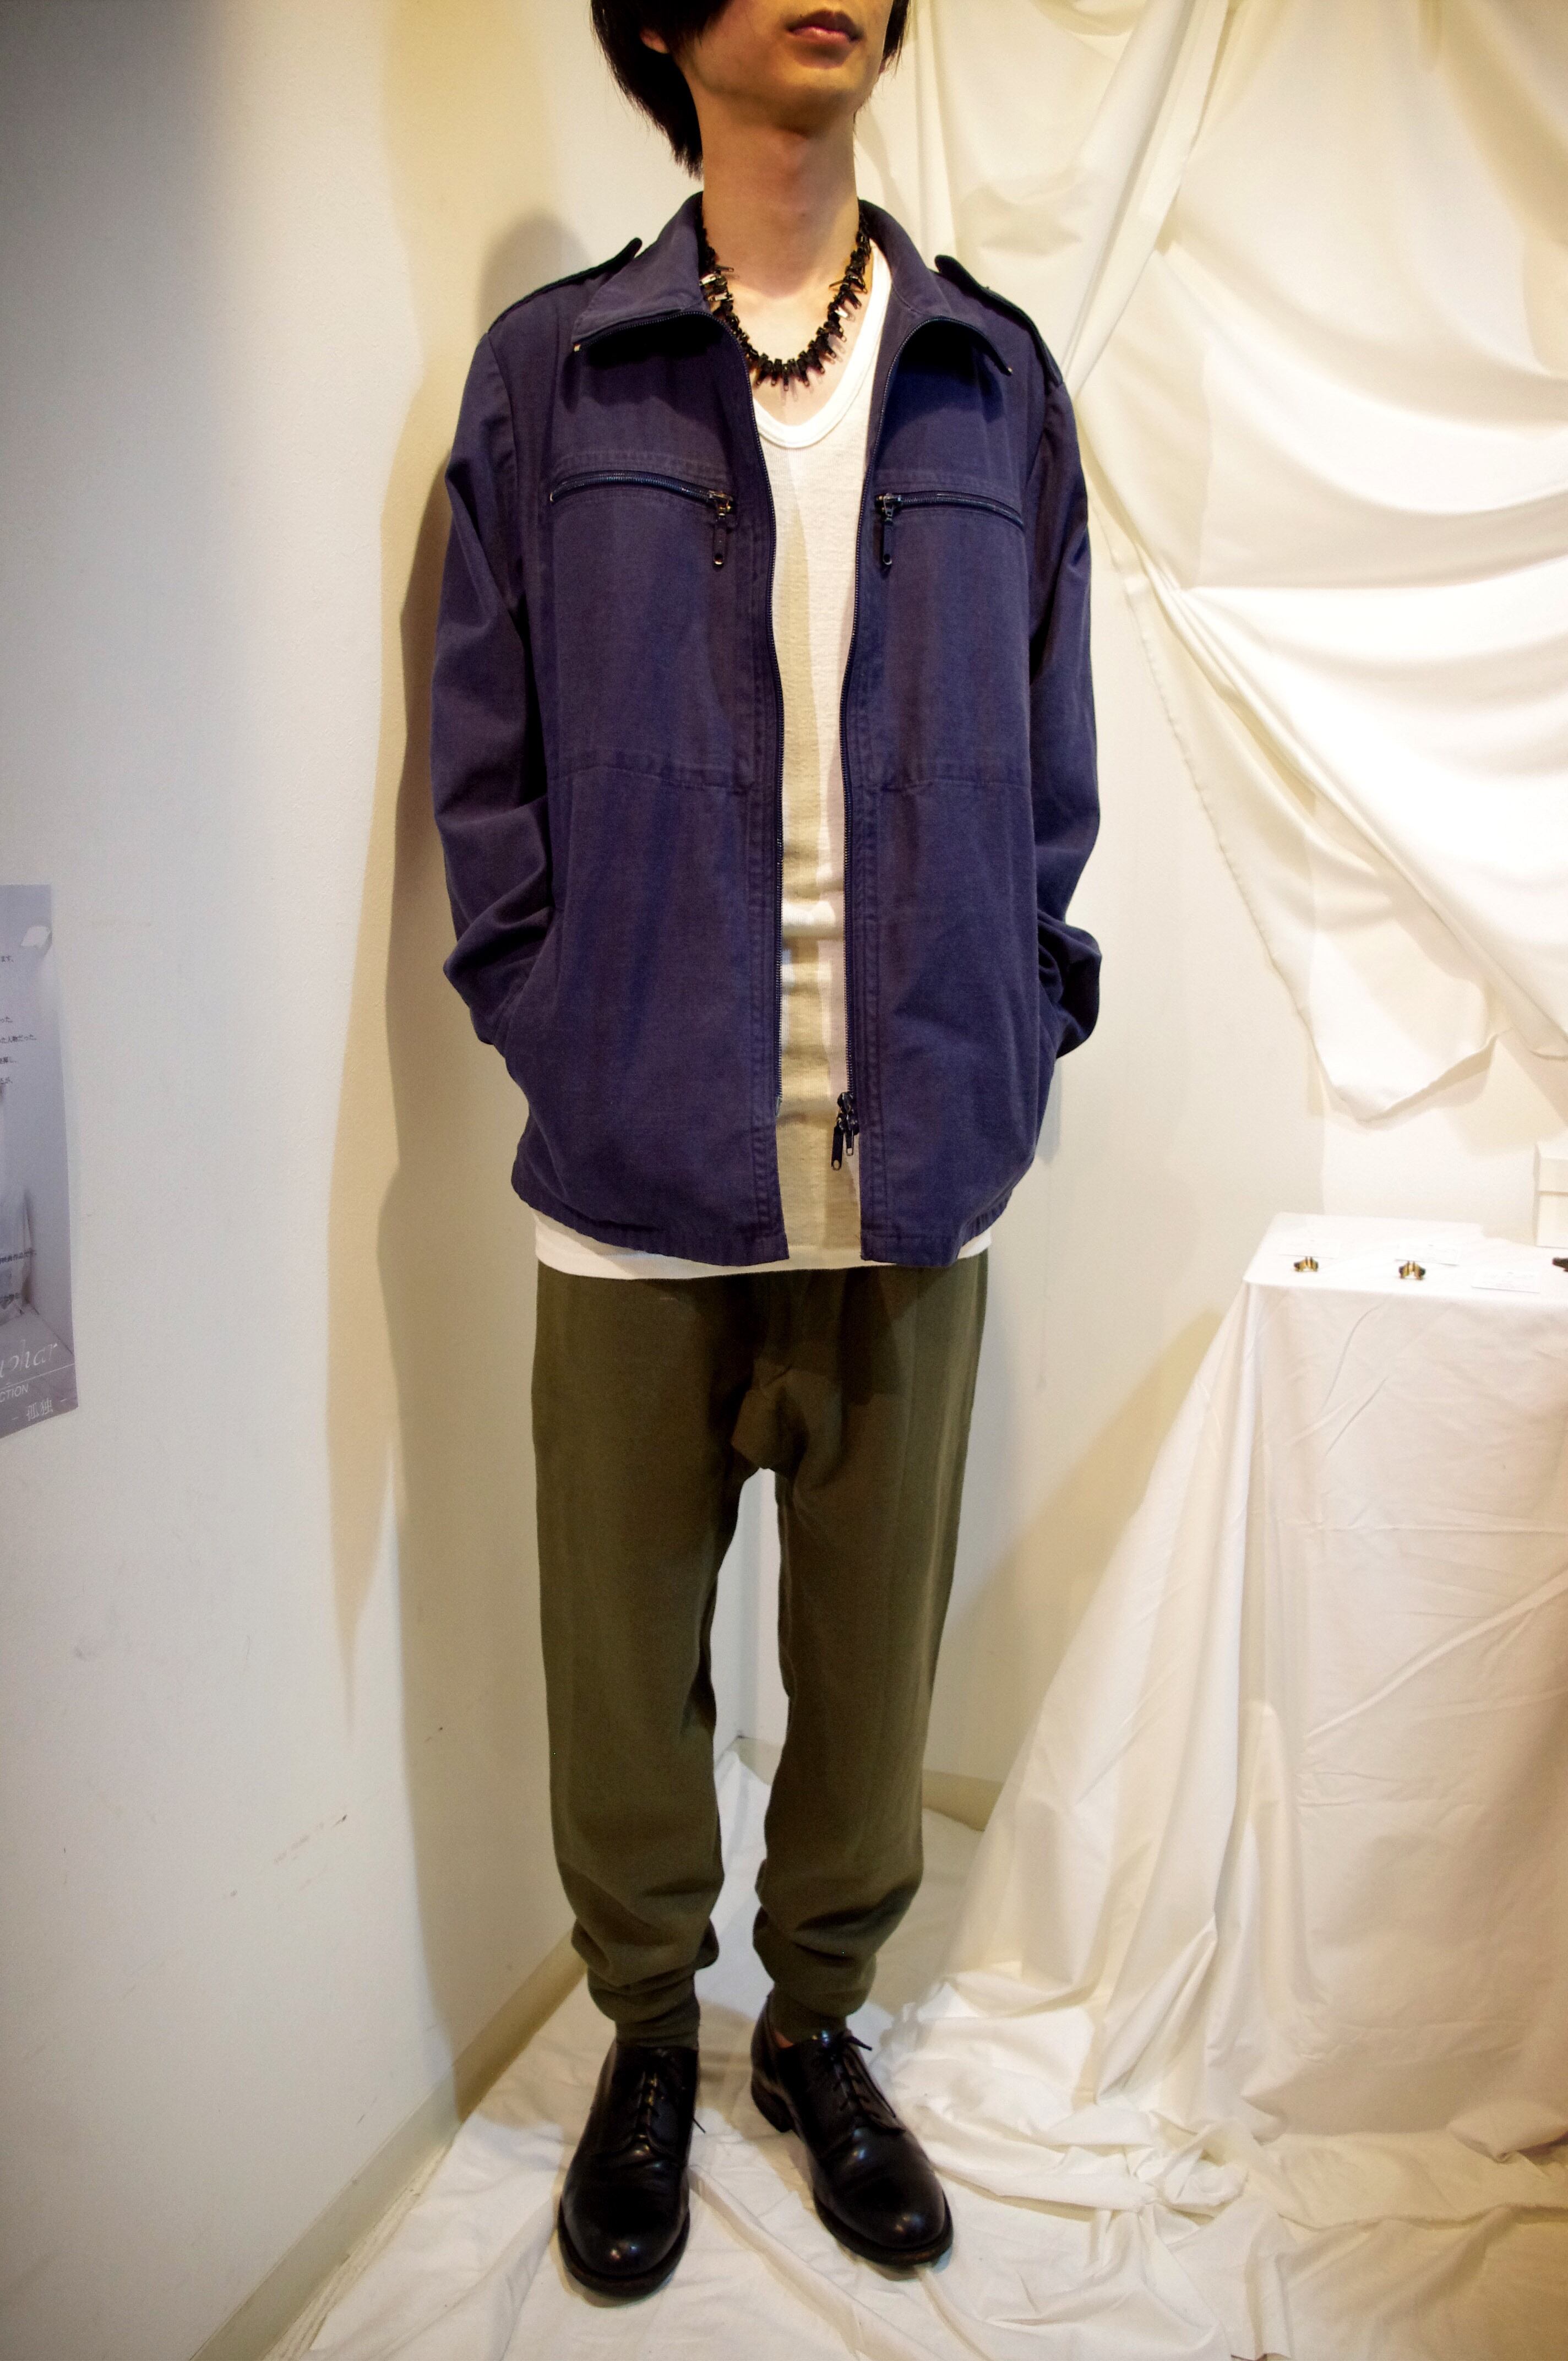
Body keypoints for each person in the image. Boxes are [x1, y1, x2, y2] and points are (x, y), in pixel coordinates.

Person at [428, 0, 1100, 2303]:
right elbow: (484, 767)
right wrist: (556, 1017)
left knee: (873, 1675)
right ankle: (645, 2033)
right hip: (637, 1174)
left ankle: (816, 2027)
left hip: (915, 1166)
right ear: (655, 17)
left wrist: (1022, 1008)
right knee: (622, 1678)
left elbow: (1050, 761)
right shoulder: (556, 379)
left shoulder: (990, 380)